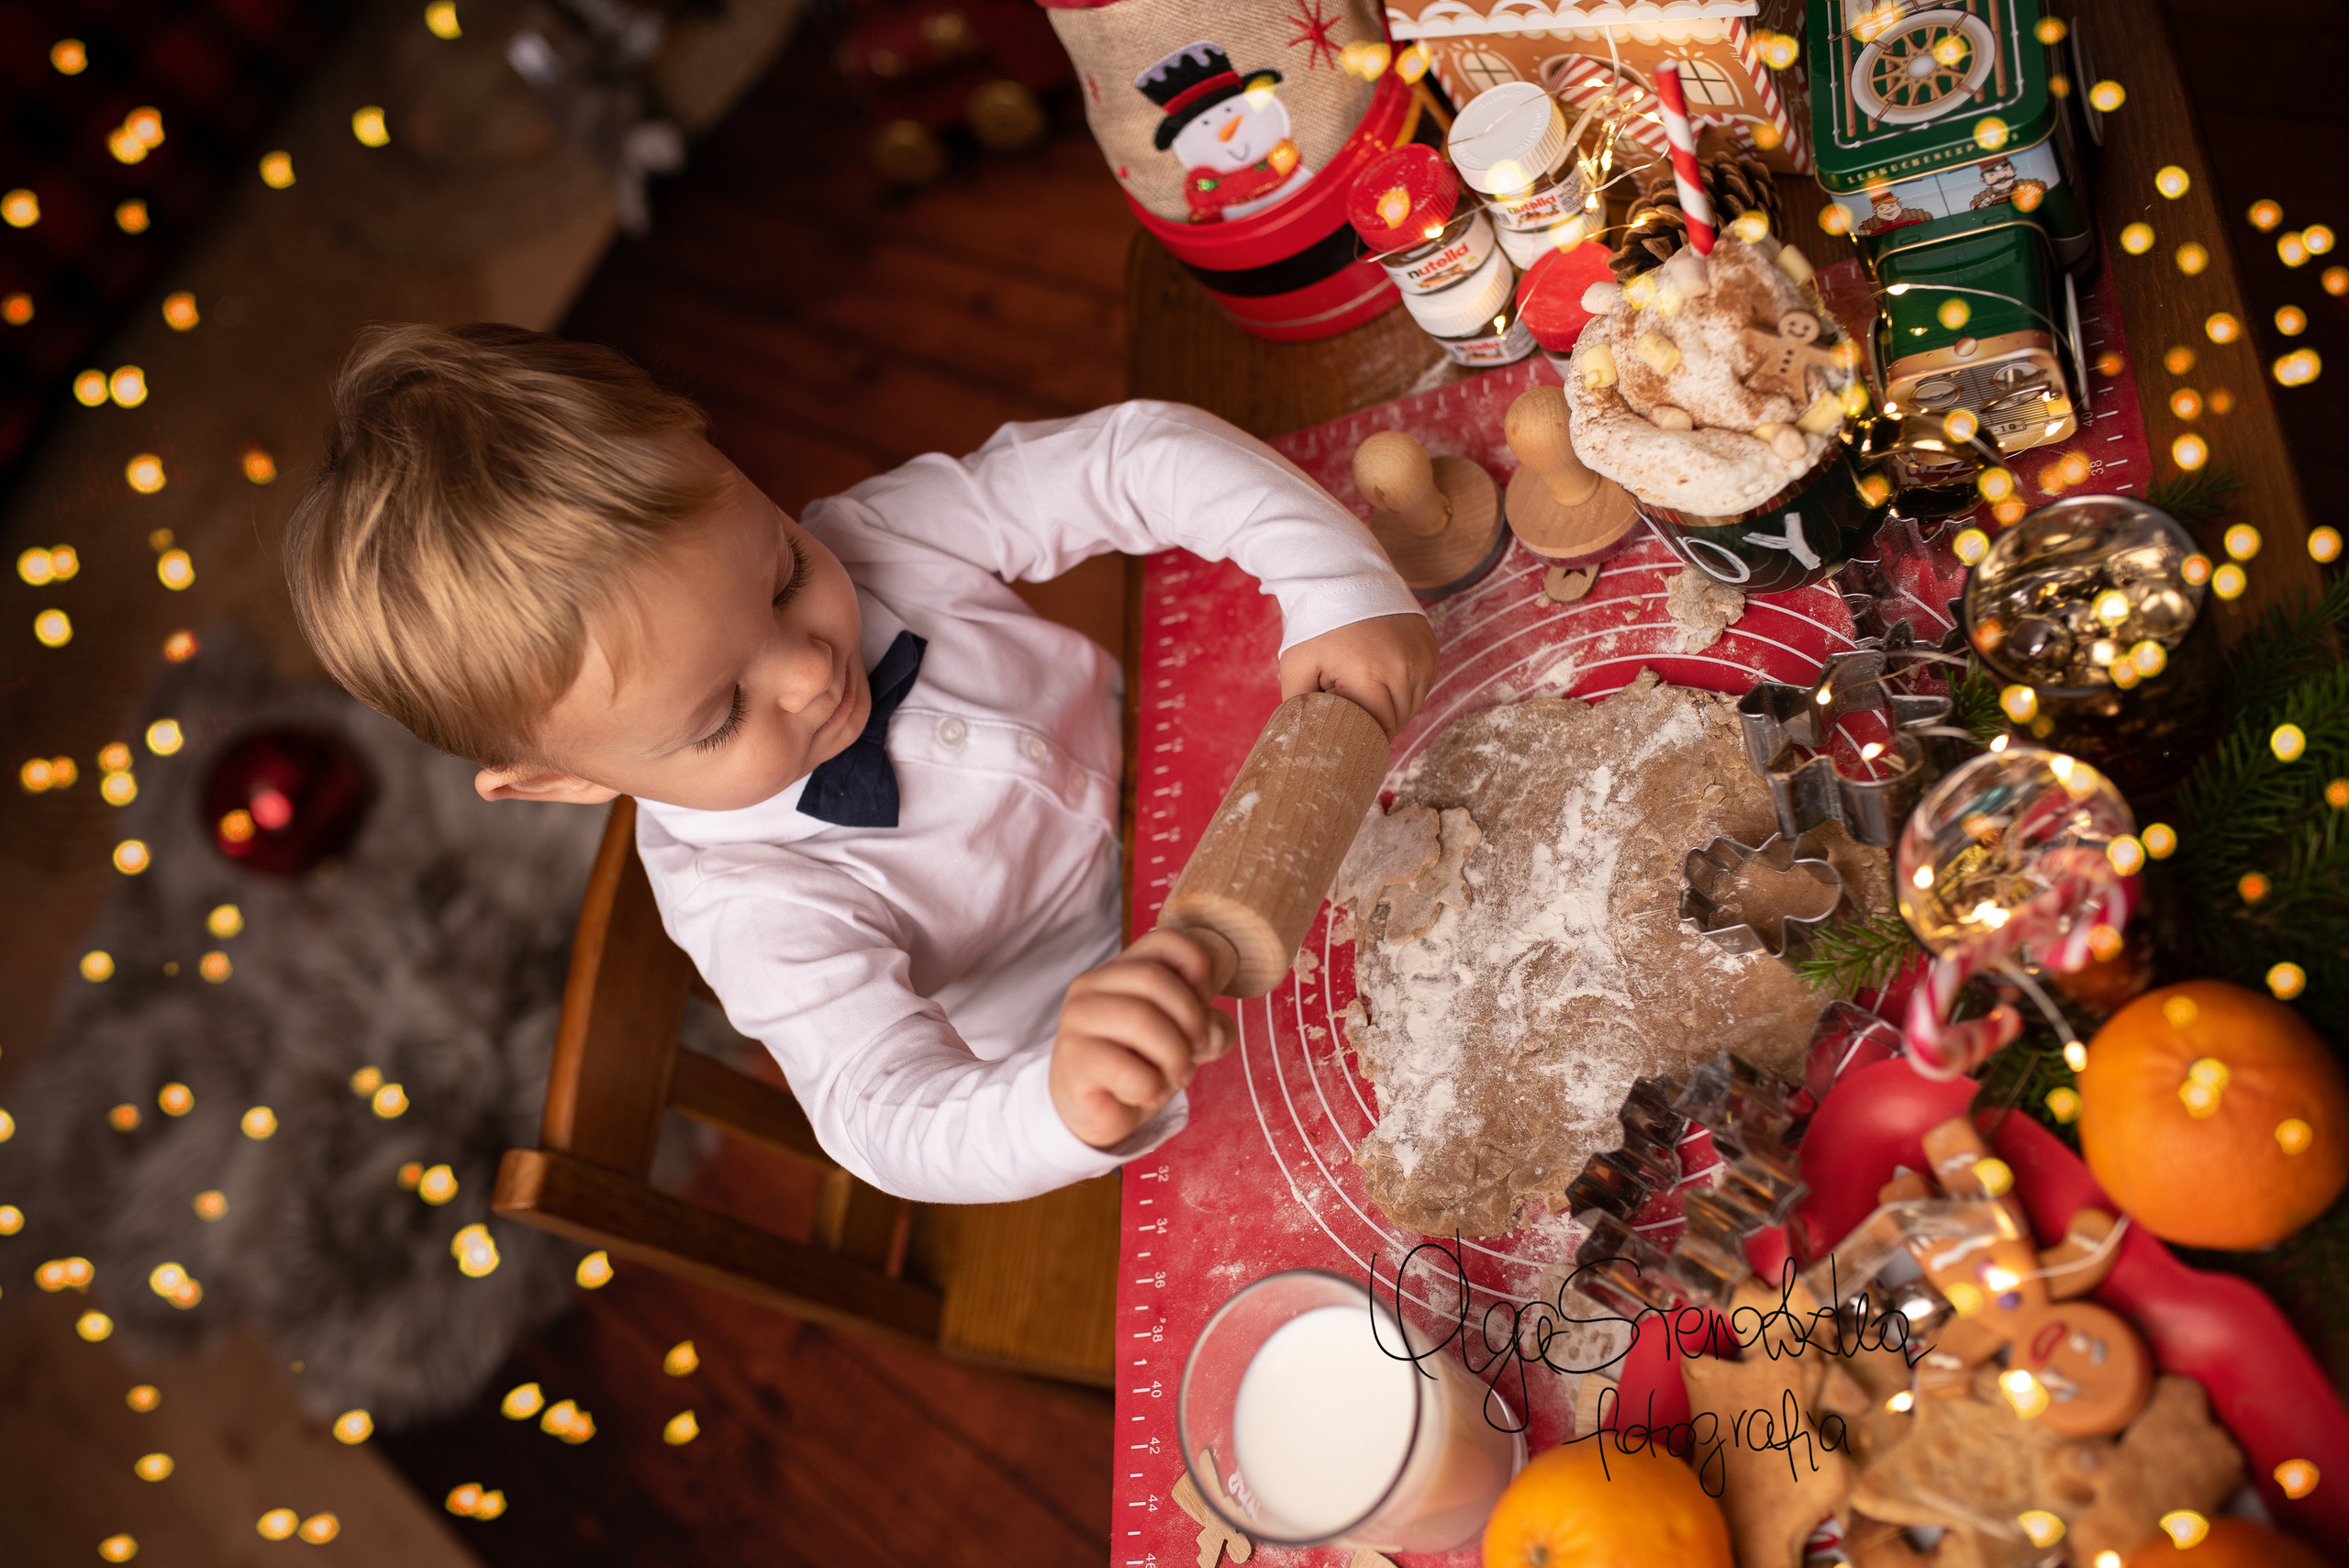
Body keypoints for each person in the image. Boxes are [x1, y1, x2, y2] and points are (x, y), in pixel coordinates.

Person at [283, 324, 1434, 1203]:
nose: (808, 671)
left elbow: (1129, 457)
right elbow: (881, 1112)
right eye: (721, 713)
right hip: (1146, 1021)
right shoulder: (748, 903)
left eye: (782, 574)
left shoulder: (882, 533)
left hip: (1221, 759)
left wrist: (1326, 581)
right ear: (560, 783)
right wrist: (1054, 1099)